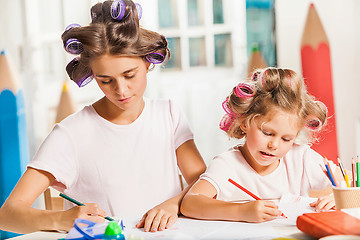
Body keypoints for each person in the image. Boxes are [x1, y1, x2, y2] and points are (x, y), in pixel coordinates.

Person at [0, 0, 206, 234]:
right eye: (105, 80)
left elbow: (206, 183)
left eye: (130, 75)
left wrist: (172, 204)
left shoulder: (168, 114)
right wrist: (60, 219)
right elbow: (7, 215)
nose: (121, 90)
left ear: (147, 63)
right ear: (93, 75)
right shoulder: (71, 134)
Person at [180, 67, 335, 223]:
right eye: (267, 133)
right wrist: (241, 211)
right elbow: (190, 203)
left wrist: (336, 197)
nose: (274, 145)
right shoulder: (228, 165)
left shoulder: (300, 158)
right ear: (244, 123)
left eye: (286, 139)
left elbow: (351, 182)